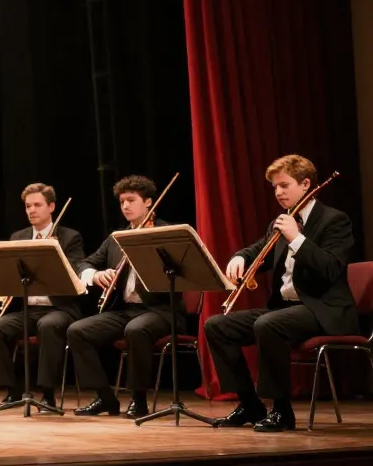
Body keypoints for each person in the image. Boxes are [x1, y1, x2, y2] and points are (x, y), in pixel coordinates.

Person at [206, 155, 356, 432]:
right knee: (217, 325)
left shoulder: (334, 220)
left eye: (284, 185)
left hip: (323, 309)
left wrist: (297, 238)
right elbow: (258, 249)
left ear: (306, 184)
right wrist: (240, 257)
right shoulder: (283, 221)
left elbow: (331, 268)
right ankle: (250, 404)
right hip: (286, 309)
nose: (278, 192)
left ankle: (281, 411)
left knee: (269, 323)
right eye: (274, 187)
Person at [67, 175, 181, 419]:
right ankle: (105, 397)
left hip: (160, 310)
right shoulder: (117, 237)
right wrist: (95, 274)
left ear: (148, 202)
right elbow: (84, 263)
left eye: (131, 200)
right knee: (77, 331)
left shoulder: (167, 233)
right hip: (125, 310)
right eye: (122, 202)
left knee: (136, 330)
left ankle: (138, 400)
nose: (126, 206)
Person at [0, 183, 85, 408]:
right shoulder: (19, 236)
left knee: (48, 325)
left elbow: (77, 272)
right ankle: (12, 390)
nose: (31, 210)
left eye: (37, 205)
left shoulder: (69, 237)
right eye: (28, 206)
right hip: (27, 309)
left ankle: (48, 393)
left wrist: (57, 256)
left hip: (59, 308)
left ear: (51, 207)